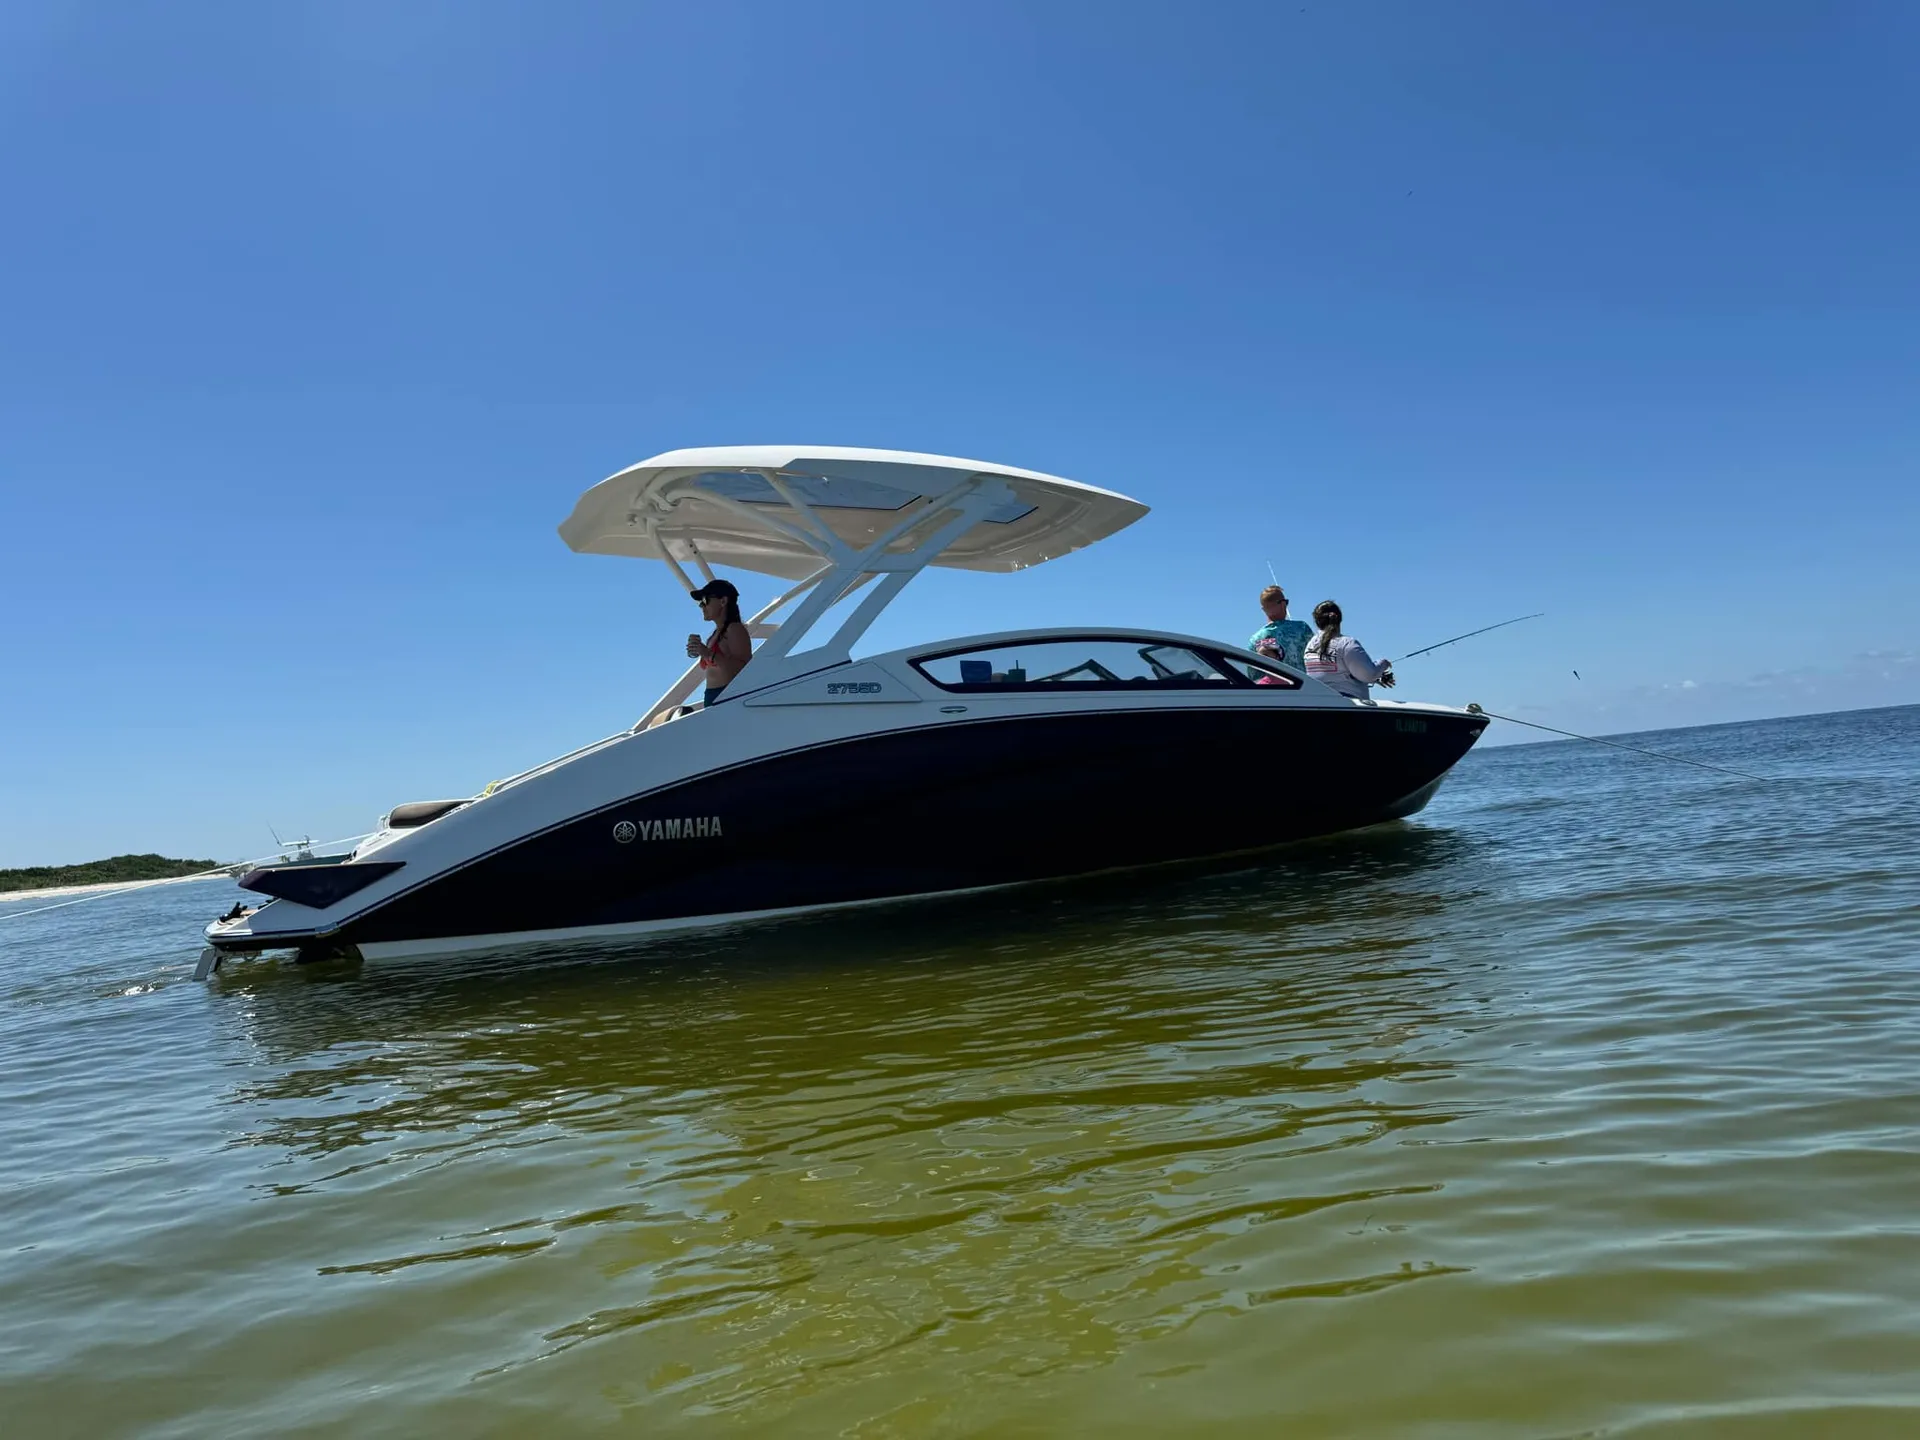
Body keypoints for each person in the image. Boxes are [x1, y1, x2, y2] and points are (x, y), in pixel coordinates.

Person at [1303, 599, 1395, 699]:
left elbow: (1330, 674)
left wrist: (1376, 678)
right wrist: (1383, 664)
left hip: (1318, 702)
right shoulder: (1346, 643)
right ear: (1339, 619)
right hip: (1347, 705)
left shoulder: (1310, 646)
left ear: (1317, 622)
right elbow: (1368, 674)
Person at [686, 579, 752, 706]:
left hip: (728, 698)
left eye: (705, 600)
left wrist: (708, 653)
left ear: (723, 601)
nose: (701, 606)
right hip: (713, 697)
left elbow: (743, 670)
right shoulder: (714, 635)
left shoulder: (734, 629)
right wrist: (699, 651)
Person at [1249, 584, 1313, 669]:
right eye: (1286, 602)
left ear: (1264, 609)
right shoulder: (1302, 628)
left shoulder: (1254, 640)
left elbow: (1253, 672)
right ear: (1283, 604)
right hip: (1302, 678)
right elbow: (1316, 657)